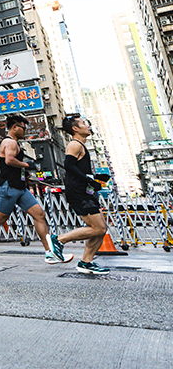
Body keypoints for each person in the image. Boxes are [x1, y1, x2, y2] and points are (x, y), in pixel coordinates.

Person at [0, 114, 71, 266]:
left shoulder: (10, 143)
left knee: (39, 215)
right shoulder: (10, 142)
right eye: (23, 128)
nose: (25, 131)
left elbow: (0, 161)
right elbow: (9, 160)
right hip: (9, 187)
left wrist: (19, 173)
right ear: (14, 127)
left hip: (19, 187)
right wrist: (27, 166)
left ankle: (50, 252)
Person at [48, 114, 110, 275]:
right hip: (78, 192)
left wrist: (95, 179)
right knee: (98, 228)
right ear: (75, 129)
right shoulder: (75, 144)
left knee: (100, 229)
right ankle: (59, 240)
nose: (88, 126)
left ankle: (86, 262)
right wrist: (90, 182)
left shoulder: (80, 146)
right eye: (84, 123)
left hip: (84, 191)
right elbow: (68, 166)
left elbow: (77, 169)